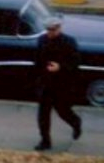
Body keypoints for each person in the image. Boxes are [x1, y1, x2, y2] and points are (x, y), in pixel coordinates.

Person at [34, 17, 82, 151]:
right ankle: (45, 140)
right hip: (45, 83)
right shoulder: (42, 40)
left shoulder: (69, 42)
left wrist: (60, 67)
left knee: (63, 111)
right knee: (43, 115)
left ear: (59, 28)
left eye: (53, 30)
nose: (50, 32)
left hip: (62, 84)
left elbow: (75, 63)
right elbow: (37, 61)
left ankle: (75, 123)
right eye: (48, 30)